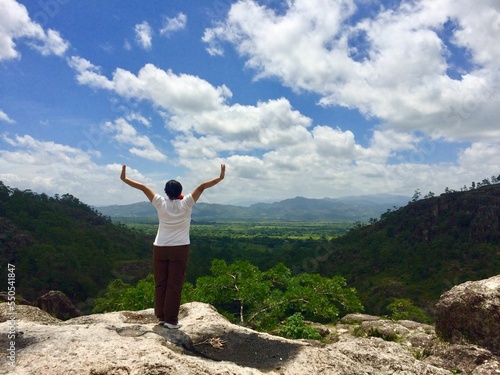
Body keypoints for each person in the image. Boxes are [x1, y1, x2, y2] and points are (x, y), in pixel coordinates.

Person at [120, 164, 226, 329]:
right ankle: (170, 320)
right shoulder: (186, 204)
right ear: (180, 191)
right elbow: (203, 186)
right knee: (174, 284)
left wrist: (124, 178)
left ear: (166, 192)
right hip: (179, 248)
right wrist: (220, 177)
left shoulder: (160, 203)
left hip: (160, 247)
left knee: (160, 282)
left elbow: (142, 187)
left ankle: (161, 316)